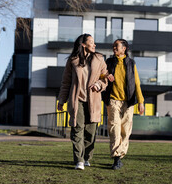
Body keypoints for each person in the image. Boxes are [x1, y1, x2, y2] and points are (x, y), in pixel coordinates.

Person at [57, 33, 114, 170]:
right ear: (83, 44)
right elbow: (66, 82)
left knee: (90, 132)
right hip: (77, 101)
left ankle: (87, 157)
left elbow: (105, 78)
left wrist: (99, 85)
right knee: (77, 130)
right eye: (91, 42)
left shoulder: (99, 59)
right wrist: (61, 100)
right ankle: (79, 161)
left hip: (93, 101)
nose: (94, 45)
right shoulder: (73, 61)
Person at [102, 39, 144, 170]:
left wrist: (141, 102)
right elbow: (100, 74)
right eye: (113, 45)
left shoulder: (131, 63)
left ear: (124, 48)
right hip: (113, 100)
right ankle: (116, 158)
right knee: (114, 128)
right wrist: (106, 75)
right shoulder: (109, 62)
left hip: (128, 101)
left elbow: (136, 82)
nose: (114, 47)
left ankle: (120, 155)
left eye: (117, 46)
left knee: (125, 131)